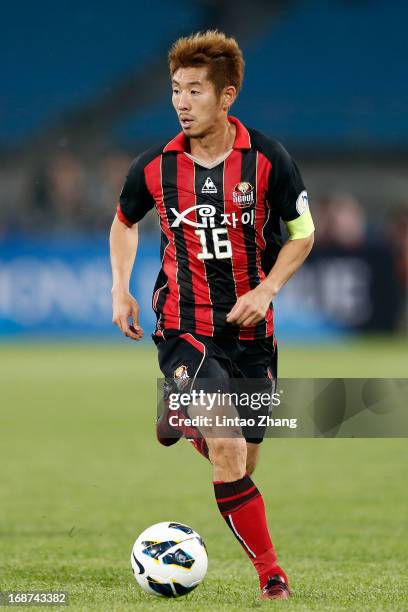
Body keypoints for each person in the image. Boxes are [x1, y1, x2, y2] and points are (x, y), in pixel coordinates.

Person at [110, 30, 314, 600]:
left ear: (227, 97)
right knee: (226, 446)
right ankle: (271, 574)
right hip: (183, 325)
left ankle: (181, 413)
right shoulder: (155, 166)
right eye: (176, 89)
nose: (181, 101)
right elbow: (124, 222)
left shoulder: (269, 160)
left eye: (195, 90)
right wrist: (120, 288)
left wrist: (268, 288)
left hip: (252, 329)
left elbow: (303, 235)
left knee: (244, 454)